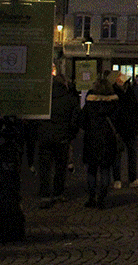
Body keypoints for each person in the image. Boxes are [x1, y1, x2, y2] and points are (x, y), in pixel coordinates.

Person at [36, 72, 80, 207]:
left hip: (45, 136)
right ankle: (58, 193)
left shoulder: (44, 98)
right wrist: (70, 135)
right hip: (62, 137)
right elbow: (75, 121)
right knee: (60, 167)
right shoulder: (70, 98)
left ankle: (44, 194)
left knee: (44, 167)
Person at [78, 74, 119, 208]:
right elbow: (119, 122)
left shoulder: (90, 105)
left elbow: (82, 122)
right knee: (105, 169)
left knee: (91, 170)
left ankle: (91, 197)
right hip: (108, 140)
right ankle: (102, 198)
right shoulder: (114, 104)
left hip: (92, 139)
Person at [112, 72, 138, 188]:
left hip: (131, 129)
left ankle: (132, 178)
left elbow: (136, 109)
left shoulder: (130, 93)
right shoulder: (114, 94)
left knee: (132, 154)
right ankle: (117, 179)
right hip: (118, 129)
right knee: (117, 155)